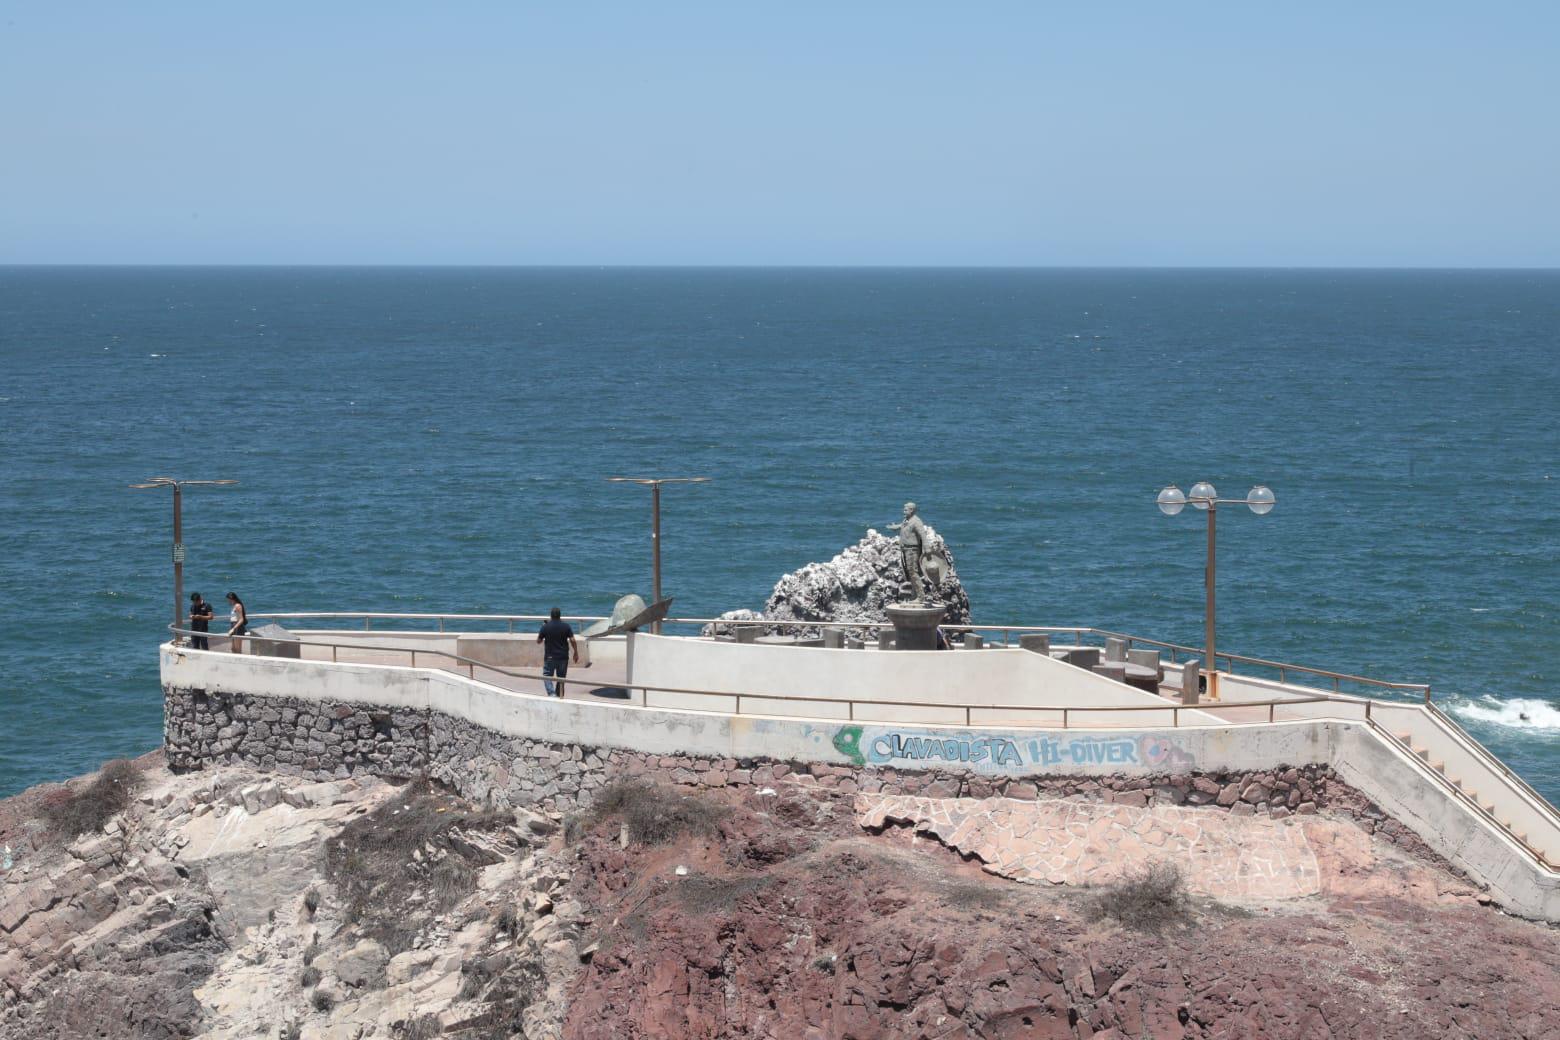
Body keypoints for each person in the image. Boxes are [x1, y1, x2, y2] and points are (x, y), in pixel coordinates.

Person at [888, 501, 929, 602]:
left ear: (911, 510)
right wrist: (895, 527)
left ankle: (921, 596)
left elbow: (923, 535)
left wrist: (927, 548)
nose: (903, 511)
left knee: (913, 573)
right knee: (911, 573)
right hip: (906, 550)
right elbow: (902, 526)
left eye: (905, 509)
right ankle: (915, 595)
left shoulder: (916, 521)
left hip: (912, 550)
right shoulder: (907, 520)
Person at [536, 607, 579, 697]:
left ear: (551, 616)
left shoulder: (545, 627)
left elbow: (538, 641)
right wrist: (575, 652)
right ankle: (559, 696)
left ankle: (552, 694)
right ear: (560, 615)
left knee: (547, 675)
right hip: (563, 657)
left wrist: (543, 628)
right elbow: (573, 640)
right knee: (561, 678)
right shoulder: (566, 626)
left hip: (550, 657)